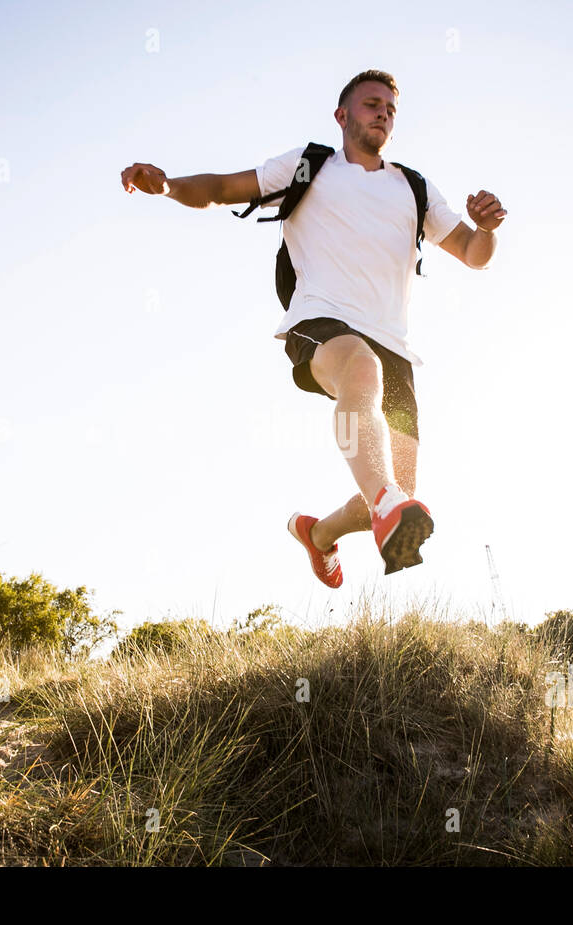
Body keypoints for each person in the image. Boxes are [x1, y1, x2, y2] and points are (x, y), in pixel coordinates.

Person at [120, 69, 505, 586]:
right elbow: (221, 188)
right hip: (321, 321)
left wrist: (485, 229)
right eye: (372, 104)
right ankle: (385, 502)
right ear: (342, 115)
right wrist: (166, 186)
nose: (382, 114)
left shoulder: (413, 188)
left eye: (390, 109)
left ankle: (321, 534)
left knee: (395, 495)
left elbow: (473, 255)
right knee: (360, 372)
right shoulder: (310, 166)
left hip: (396, 346)